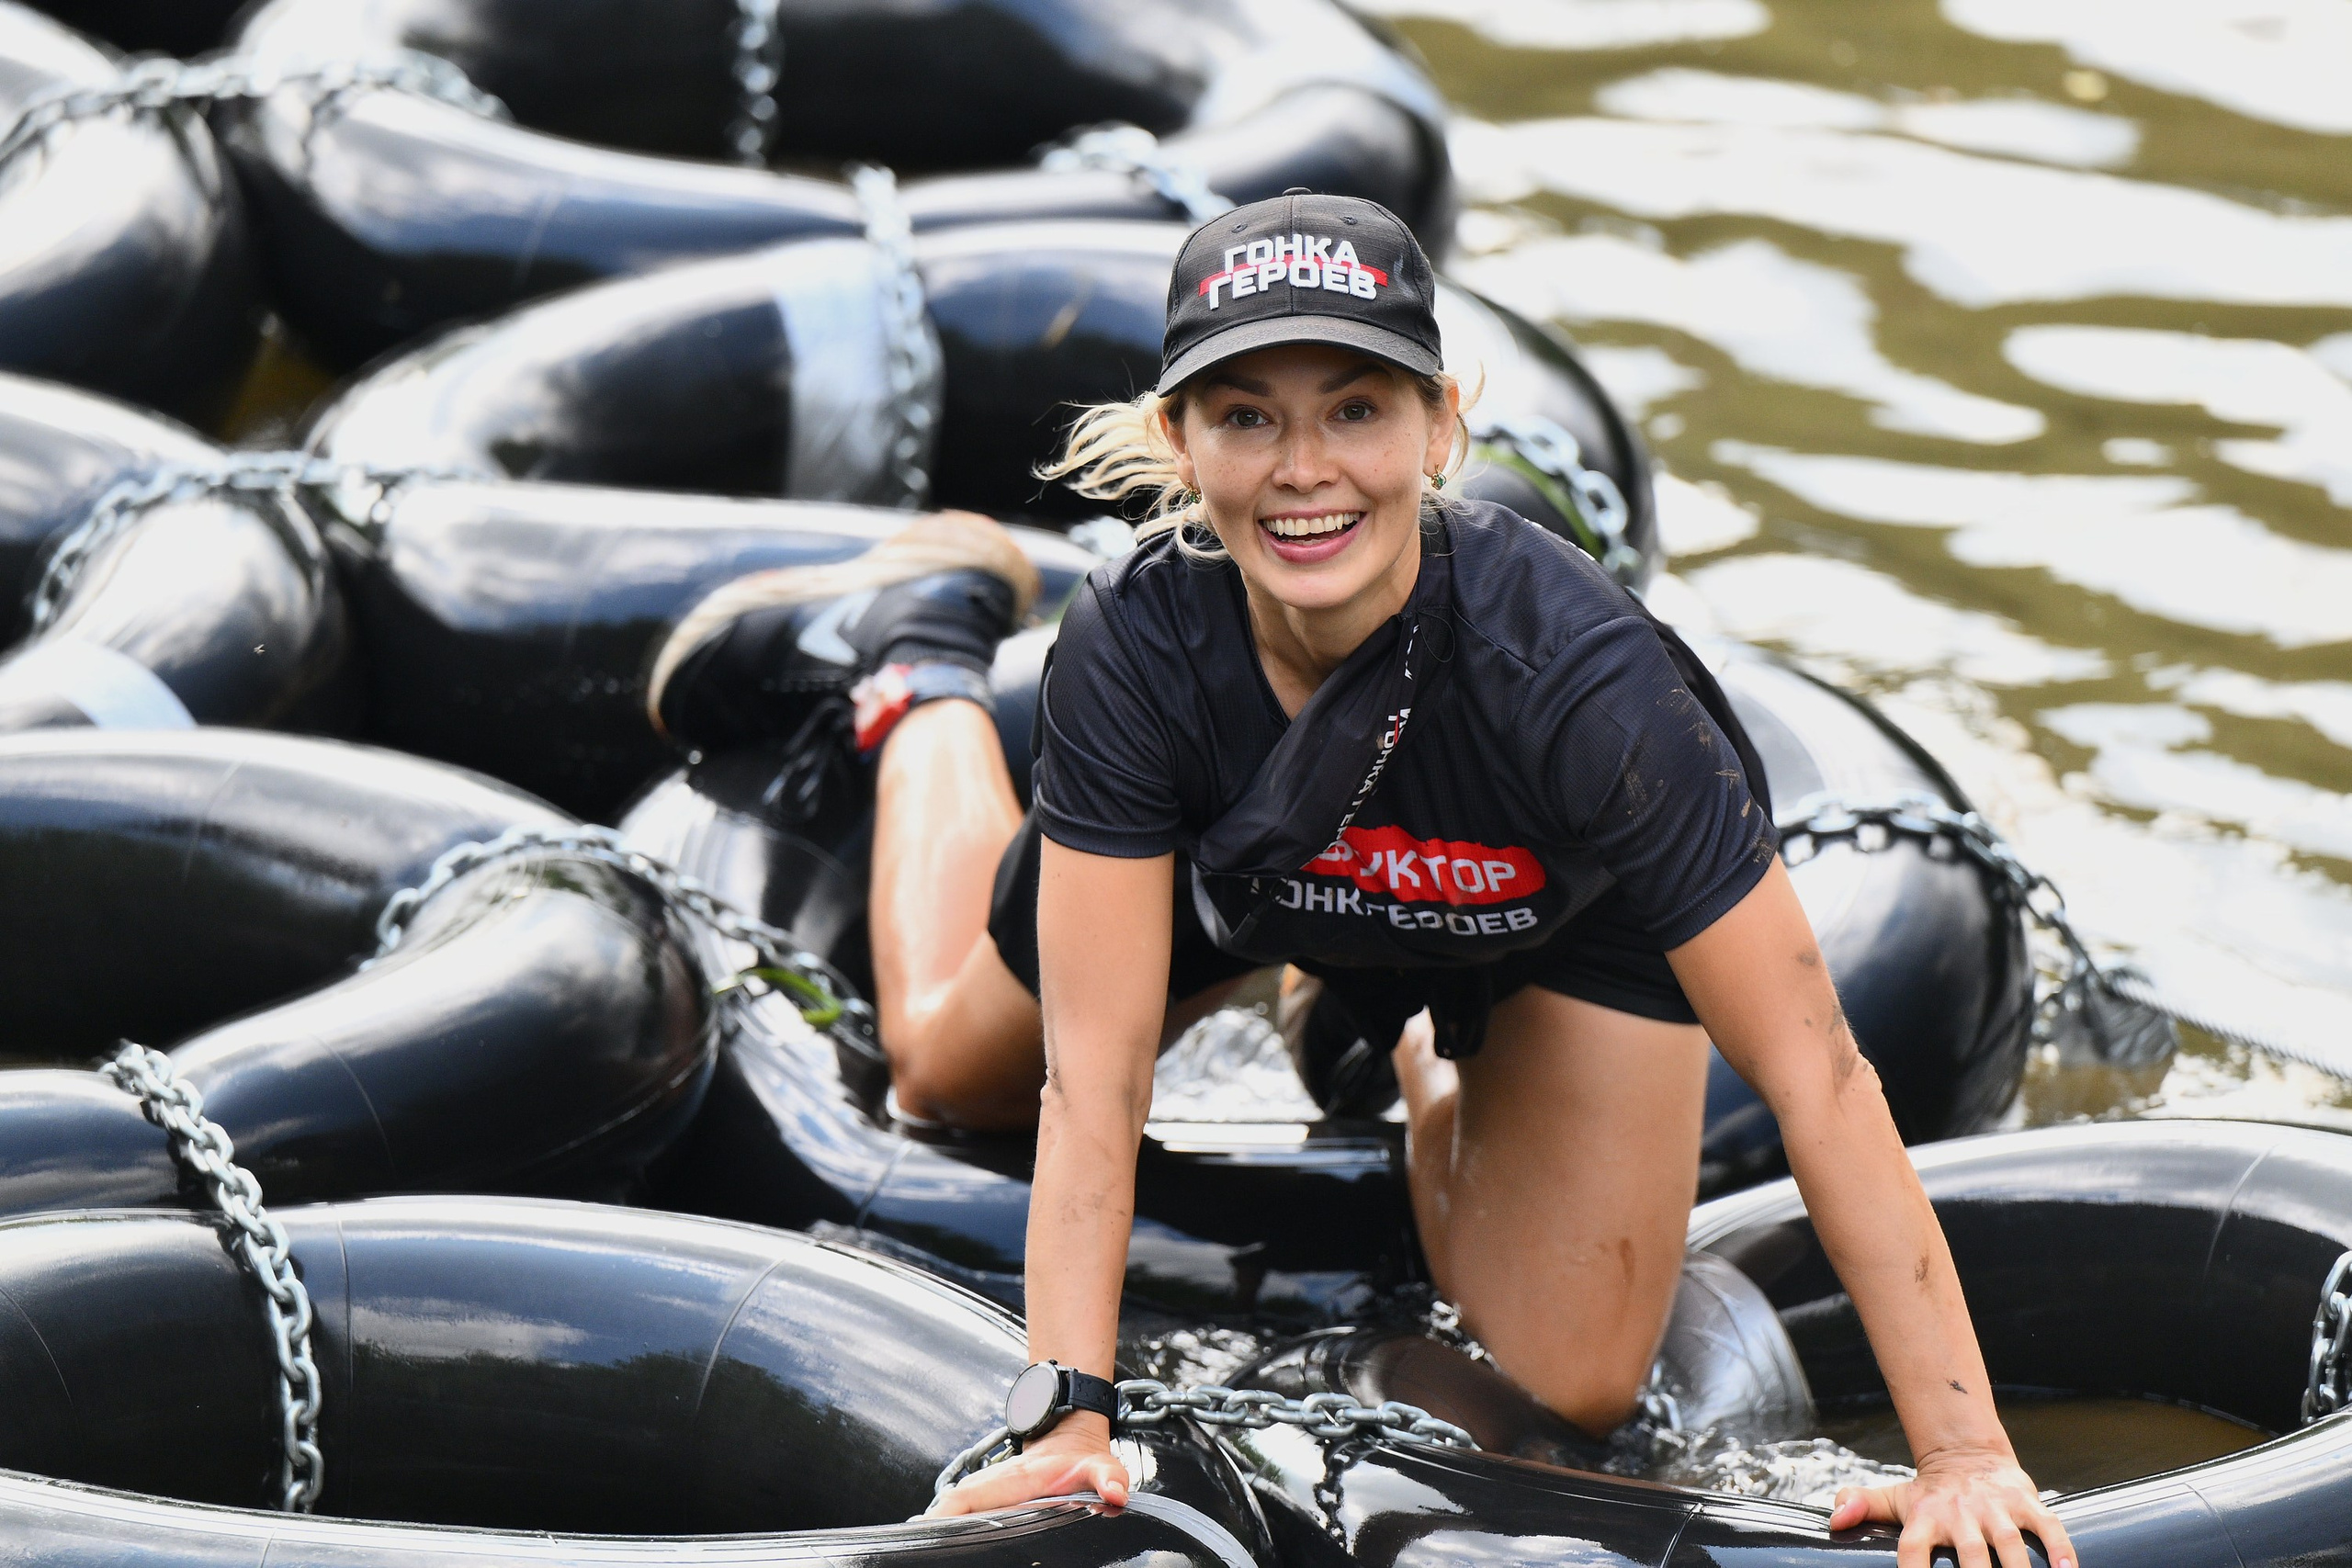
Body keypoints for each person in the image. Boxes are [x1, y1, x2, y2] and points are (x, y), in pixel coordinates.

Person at [647, 192, 2075, 1568]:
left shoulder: (1582, 680)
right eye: (1247, 415)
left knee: (1570, 1372)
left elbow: (1818, 1067)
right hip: (1240, 879)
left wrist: (1963, 1456)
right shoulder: (1141, 644)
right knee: (942, 1073)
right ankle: (918, 663)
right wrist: (1069, 1413)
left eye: (1356, 407)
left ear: (1441, 425)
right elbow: (1097, 1082)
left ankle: (1385, 1020)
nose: (1304, 467)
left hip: (1548, 931)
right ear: (1181, 438)